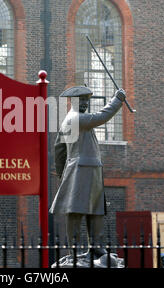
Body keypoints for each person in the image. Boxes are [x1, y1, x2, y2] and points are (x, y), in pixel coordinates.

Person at [49, 85, 126, 265]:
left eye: (86, 100)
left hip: (89, 169)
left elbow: (59, 149)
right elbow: (101, 116)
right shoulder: (75, 118)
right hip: (80, 169)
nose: (84, 103)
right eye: (80, 100)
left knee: (96, 210)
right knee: (75, 210)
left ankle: (96, 247)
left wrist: (62, 174)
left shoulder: (73, 119)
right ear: (72, 102)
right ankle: (74, 250)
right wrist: (118, 99)